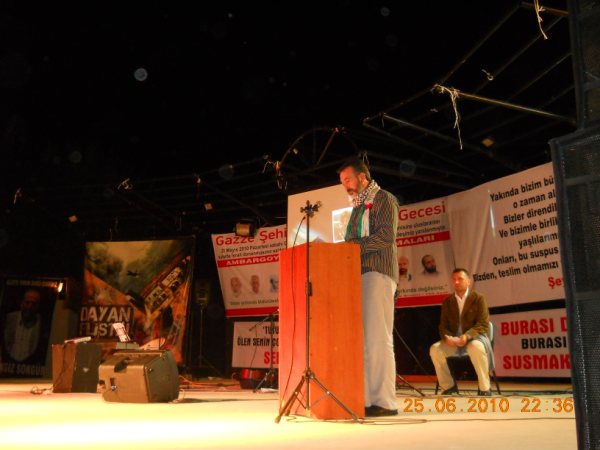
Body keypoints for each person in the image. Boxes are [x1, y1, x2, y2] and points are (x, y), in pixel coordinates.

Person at [338, 157, 399, 417]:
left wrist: (350, 249)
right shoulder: (356, 209)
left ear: (362, 177)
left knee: (378, 339)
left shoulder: (384, 198)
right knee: (363, 341)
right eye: (342, 182)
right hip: (357, 277)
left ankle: (385, 401)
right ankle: (365, 399)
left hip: (378, 273)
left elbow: (386, 236)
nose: (345, 186)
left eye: (347, 180)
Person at [429, 268, 493, 396]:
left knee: (476, 347)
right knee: (435, 349)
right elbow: (443, 325)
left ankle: (484, 388)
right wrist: (447, 338)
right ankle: (448, 387)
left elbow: (483, 323)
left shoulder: (478, 298)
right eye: (454, 279)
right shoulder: (448, 301)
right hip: (455, 341)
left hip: (474, 339)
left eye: (460, 279)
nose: (456, 282)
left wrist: (467, 336)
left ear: (468, 281)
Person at [2, 288, 42, 362]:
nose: (29, 307)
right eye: (27, 302)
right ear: (22, 303)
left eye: (33, 304)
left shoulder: (40, 323)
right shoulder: (10, 318)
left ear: (37, 306)